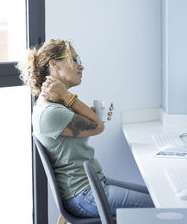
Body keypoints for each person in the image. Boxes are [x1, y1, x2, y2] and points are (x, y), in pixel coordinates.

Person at [16, 39, 153, 217]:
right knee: (161, 207)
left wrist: (82, 107)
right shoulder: (50, 112)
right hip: (84, 195)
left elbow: (93, 123)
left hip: (93, 184)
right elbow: (98, 127)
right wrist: (67, 95)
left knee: (159, 197)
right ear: (54, 64)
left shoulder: (55, 105)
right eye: (74, 59)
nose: (81, 67)